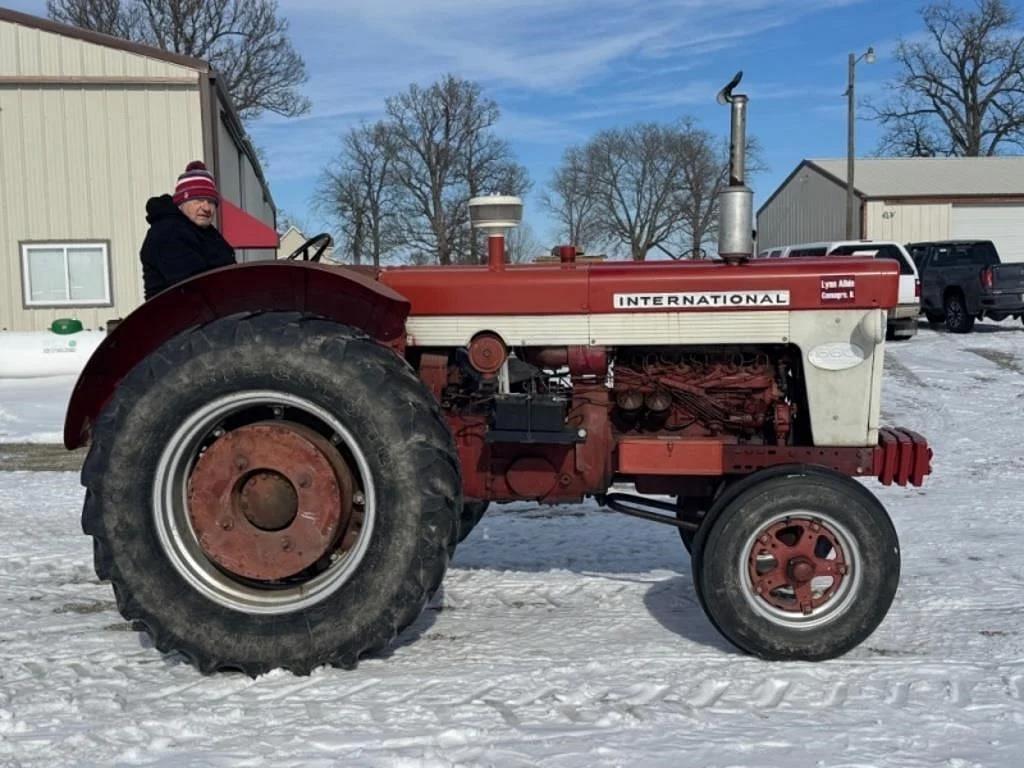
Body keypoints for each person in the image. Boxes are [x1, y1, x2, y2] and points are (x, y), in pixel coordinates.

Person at [140, 160, 236, 300]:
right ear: (182, 202)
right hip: (178, 317)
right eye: (198, 200)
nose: (206, 208)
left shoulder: (206, 233)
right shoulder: (169, 232)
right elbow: (194, 286)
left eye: (210, 201)